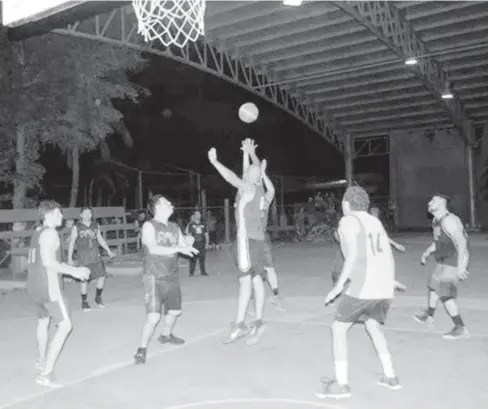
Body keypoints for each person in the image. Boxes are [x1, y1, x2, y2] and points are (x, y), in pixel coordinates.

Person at [317, 186, 400, 399]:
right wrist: (389, 279)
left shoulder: (348, 221)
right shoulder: (375, 221)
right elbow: (388, 254)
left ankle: (342, 385)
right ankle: (391, 377)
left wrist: (337, 288)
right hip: (383, 288)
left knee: (338, 329)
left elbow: (352, 255)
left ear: (346, 203)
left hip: (363, 287)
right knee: (373, 326)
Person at [26, 200, 90, 387]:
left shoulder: (36, 233)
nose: (62, 217)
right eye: (58, 213)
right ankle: (46, 373)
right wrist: (74, 271)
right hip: (49, 287)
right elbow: (48, 262)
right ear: (49, 215)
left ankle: (41, 359)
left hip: (34, 285)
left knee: (43, 321)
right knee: (65, 326)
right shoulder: (50, 233)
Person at [208, 145, 267, 345]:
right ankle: (259, 320)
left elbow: (232, 177)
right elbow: (250, 170)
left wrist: (215, 162)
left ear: (252, 177)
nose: (247, 173)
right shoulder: (258, 187)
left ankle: (240, 323)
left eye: (251, 172)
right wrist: (247, 153)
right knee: (257, 279)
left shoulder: (248, 187)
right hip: (258, 240)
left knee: (245, 281)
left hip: (246, 240)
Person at [134, 194, 199, 364]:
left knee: (175, 311)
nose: (171, 204)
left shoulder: (174, 226)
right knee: (154, 317)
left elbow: (183, 245)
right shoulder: (149, 226)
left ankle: (166, 335)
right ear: (157, 207)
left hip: (171, 276)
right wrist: (180, 246)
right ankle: (141, 349)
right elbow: (154, 248)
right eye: (166, 202)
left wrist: (188, 242)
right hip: (154, 276)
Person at [413, 194, 470, 339]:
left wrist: (461, 266)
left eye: (433, 201)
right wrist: (427, 252)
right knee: (433, 286)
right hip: (445, 259)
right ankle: (429, 316)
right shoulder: (436, 220)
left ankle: (461, 328)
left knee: (445, 294)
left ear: (442, 204)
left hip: (455, 259)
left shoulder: (449, 220)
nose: (429, 202)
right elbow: (437, 242)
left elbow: (462, 242)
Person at [241, 138, 285, 312]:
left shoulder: (264, 197)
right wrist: (247, 153)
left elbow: (272, 190)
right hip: (248, 237)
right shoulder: (249, 191)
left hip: (262, 237)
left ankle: (276, 297)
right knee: (251, 272)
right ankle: (252, 303)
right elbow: (247, 172)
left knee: (270, 269)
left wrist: (264, 173)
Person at [67, 207, 115, 311]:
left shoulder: (96, 225)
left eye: (89, 213)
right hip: (83, 255)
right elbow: (72, 243)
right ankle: (84, 302)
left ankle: (98, 297)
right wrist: (69, 258)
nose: (88, 215)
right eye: (85, 213)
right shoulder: (77, 227)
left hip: (96, 254)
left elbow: (100, 239)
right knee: (84, 279)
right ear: (81, 215)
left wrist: (108, 250)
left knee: (102, 276)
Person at [185, 210, 209, 276]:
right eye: (197, 214)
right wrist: (188, 245)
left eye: (199, 214)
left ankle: (203, 272)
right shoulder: (190, 225)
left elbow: (206, 234)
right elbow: (188, 235)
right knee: (192, 259)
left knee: (202, 258)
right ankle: (191, 272)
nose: (198, 215)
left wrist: (207, 243)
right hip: (194, 245)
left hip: (202, 244)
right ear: (194, 216)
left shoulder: (204, 224)